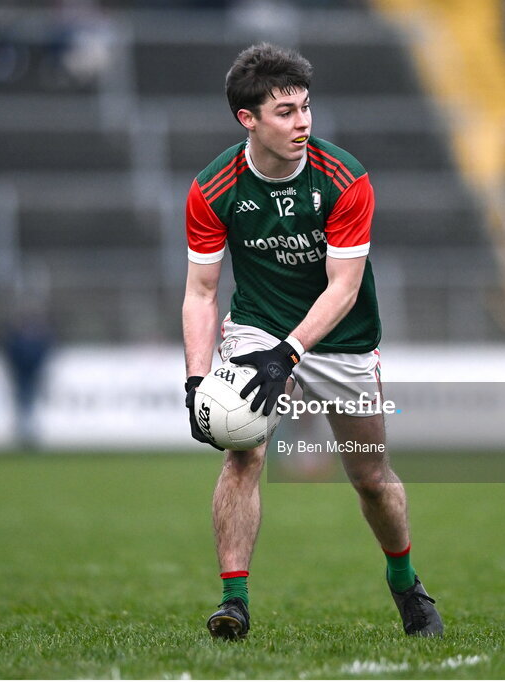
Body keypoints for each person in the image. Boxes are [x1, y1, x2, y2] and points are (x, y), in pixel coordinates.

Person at [181, 43, 443, 639]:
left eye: (306, 108)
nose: (303, 123)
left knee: (372, 480)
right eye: (285, 112)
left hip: (342, 337)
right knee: (243, 451)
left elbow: (344, 288)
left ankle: (406, 584)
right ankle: (234, 602)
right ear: (247, 119)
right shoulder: (212, 189)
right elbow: (200, 293)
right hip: (257, 324)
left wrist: (290, 355)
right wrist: (197, 380)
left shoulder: (345, 178)